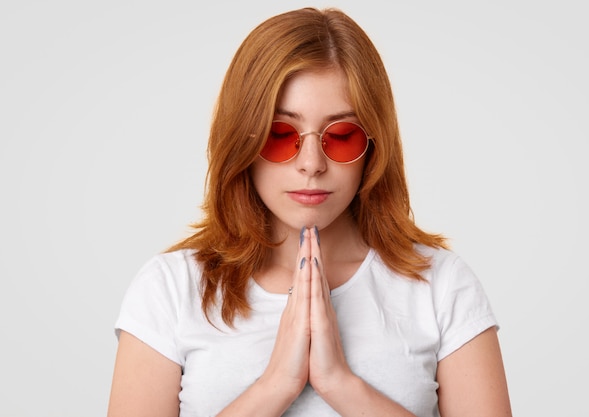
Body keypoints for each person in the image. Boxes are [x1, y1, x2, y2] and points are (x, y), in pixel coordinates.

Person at [107, 7, 512, 417]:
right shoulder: (170, 290)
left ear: (374, 144)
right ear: (241, 139)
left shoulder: (441, 285)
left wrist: (340, 383)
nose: (312, 163)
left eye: (341, 136)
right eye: (281, 135)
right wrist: (276, 385)